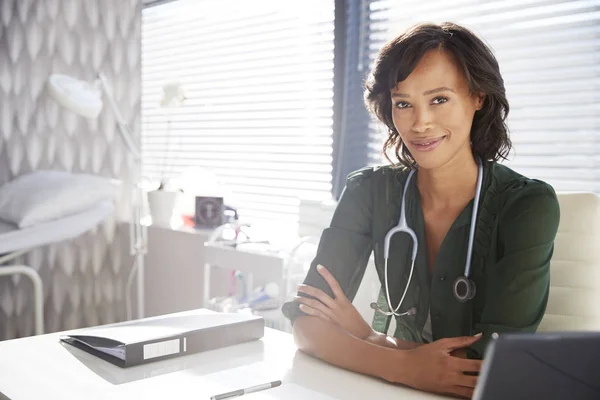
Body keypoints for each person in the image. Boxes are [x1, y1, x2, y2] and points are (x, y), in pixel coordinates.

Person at [282, 22, 560, 399]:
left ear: (478, 96)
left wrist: (367, 338)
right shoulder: (369, 190)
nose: (420, 123)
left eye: (439, 99)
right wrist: (403, 366)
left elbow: (488, 367)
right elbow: (306, 324)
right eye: (403, 103)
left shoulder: (527, 206)